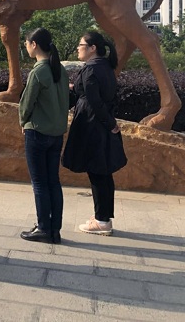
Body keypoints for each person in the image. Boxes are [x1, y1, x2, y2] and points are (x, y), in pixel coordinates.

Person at [62, 31, 127, 236]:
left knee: (97, 173)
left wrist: (110, 124)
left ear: (92, 48)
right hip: (100, 125)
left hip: (92, 126)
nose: (78, 48)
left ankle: (101, 221)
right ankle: (103, 217)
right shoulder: (105, 67)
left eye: (81, 45)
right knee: (103, 173)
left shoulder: (90, 68)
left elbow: (94, 101)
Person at [18, 28, 69, 244]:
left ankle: (43, 228)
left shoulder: (38, 72)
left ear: (34, 44)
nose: (25, 46)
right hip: (56, 133)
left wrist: (23, 122)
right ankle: (54, 229)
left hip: (37, 131)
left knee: (39, 183)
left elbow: (26, 103)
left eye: (26, 43)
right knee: (53, 181)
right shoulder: (60, 70)